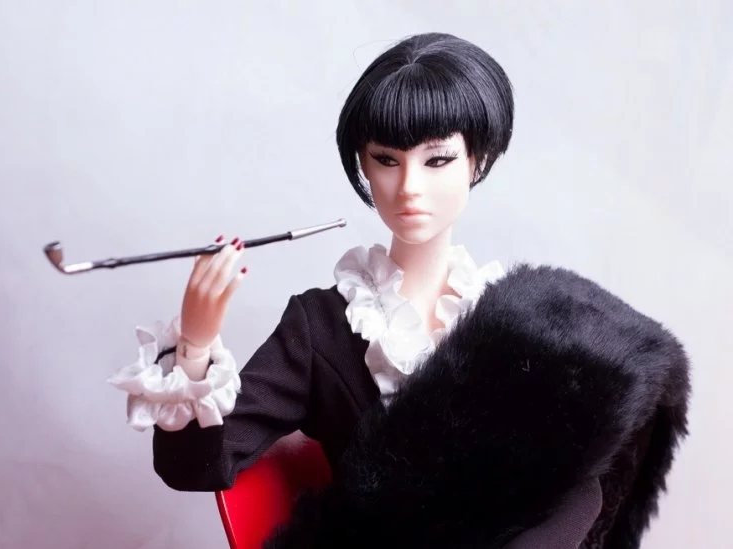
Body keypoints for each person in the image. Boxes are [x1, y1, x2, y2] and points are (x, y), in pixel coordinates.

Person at [109, 33, 690, 548]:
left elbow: (580, 490)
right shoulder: (322, 327)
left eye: (438, 160)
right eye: (386, 160)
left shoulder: (527, 317)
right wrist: (196, 345)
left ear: (477, 161)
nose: (409, 186)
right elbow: (196, 467)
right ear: (364, 167)